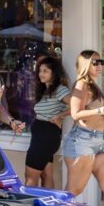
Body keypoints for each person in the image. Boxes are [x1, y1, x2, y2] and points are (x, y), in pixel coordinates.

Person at [62, 50, 104, 203]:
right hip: (83, 141)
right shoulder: (81, 84)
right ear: (86, 64)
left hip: (99, 142)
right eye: (95, 63)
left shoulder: (94, 86)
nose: (99, 65)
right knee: (74, 190)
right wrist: (101, 110)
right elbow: (75, 114)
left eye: (101, 62)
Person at [25, 55, 70, 188]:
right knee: (46, 175)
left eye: (45, 71)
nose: (41, 74)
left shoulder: (60, 89)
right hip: (43, 137)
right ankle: (49, 202)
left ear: (54, 73)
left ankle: (29, 202)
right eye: (40, 70)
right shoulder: (45, 90)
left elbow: (78, 105)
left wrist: (60, 116)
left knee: (30, 177)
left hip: (45, 137)